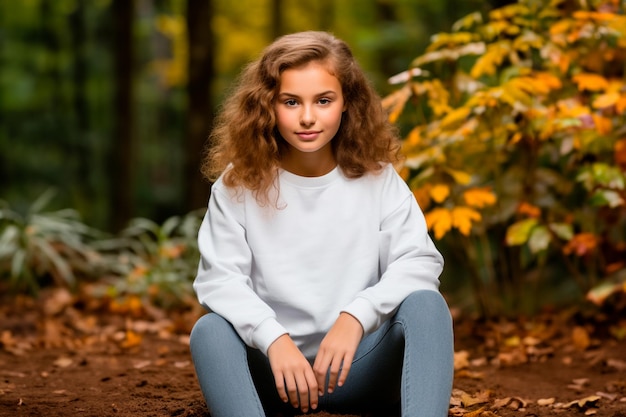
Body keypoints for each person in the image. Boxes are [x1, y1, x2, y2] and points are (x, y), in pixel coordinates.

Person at [189, 31, 454, 417]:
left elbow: (419, 262)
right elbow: (219, 281)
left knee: (427, 305)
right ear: (267, 105)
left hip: (359, 370)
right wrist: (274, 338)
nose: (308, 117)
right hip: (273, 377)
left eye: (324, 100)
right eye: (291, 102)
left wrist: (356, 317)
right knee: (209, 331)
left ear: (347, 103)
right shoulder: (238, 184)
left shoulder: (378, 179)